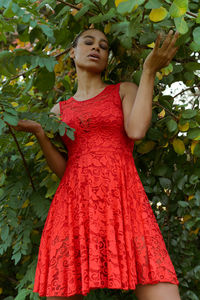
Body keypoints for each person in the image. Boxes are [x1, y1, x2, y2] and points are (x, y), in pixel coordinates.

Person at [11, 28, 181, 300]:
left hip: (125, 201)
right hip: (74, 206)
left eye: (103, 46)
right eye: (88, 42)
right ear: (72, 52)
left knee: (160, 282)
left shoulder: (124, 90)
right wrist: (41, 133)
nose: (96, 48)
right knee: (63, 288)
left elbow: (136, 131)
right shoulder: (59, 111)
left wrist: (149, 70)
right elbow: (68, 171)